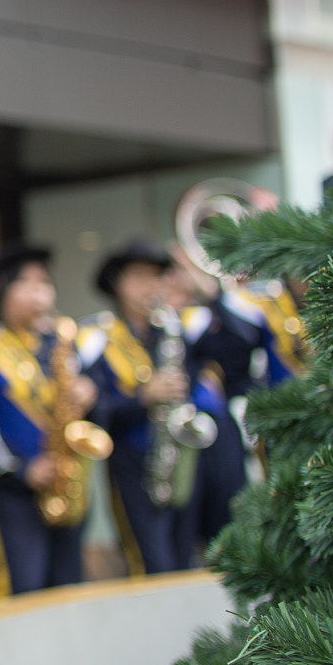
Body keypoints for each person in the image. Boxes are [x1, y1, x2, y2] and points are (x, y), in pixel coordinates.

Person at [0, 243, 96, 596]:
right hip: (10, 493)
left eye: (44, 283)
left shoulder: (58, 344)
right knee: (19, 591)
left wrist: (89, 392)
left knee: (68, 588)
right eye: (27, 283)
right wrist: (20, 470)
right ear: (1, 291)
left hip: (64, 483)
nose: (40, 293)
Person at [79, 240, 227, 575]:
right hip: (133, 463)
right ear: (117, 284)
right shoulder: (98, 338)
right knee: (152, 563)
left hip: (180, 458)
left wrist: (207, 290)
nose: (150, 286)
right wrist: (142, 397)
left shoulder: (173, 330)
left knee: (185, 557)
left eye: (156, 277)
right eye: (139, 277)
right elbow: (94, 413)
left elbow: (235, 345)